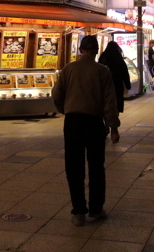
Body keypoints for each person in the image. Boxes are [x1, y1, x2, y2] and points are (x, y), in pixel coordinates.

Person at [52, 35, 119, 225]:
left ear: (80, 50)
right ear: (97, 50)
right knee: (96, 166)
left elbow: (56, 95)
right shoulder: (102, 71)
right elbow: (109, 101)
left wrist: (65, 109)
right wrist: (113, 127)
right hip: (94, 122)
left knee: (74, 167)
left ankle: (78, 211)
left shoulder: (68, 69)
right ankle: (96, 209)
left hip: (73, 122)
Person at [98, 40, 132, 114]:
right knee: (117, 101)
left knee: (105, 101)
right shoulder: (118, 58)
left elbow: (98, 69)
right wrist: (128, 85)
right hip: (117, 84)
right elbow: (124, 72)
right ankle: (115, 118)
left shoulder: (103, 57)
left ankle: (106, 120)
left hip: (105, 84)